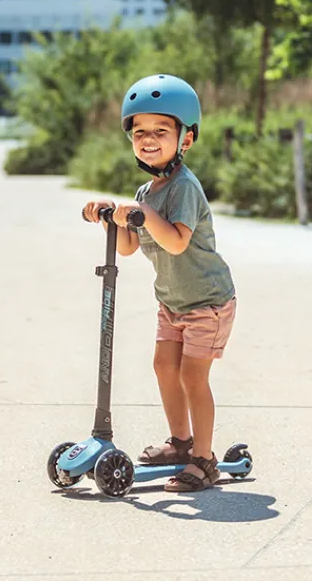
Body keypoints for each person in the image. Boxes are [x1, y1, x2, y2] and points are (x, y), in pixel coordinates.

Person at [81, 73, 237, 492]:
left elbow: (175, 241)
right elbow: (132, 246)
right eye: (140, 132)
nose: (148, 139)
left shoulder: (184, 188)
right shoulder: (146, 191)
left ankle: (205, 460)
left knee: (192, 377)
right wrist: (111, 217)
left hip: (207, 301)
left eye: (161, 131)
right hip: (173, 301)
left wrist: (139, 212)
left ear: (185, 139)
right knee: (163, 367)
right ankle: (181, 443)